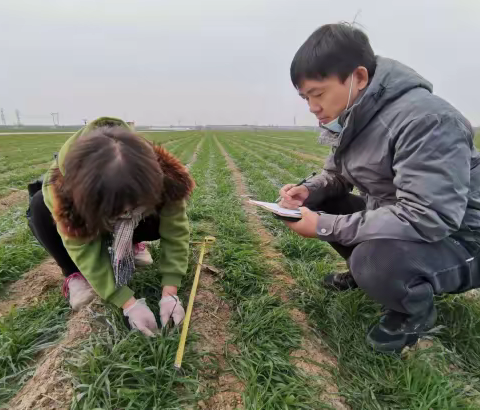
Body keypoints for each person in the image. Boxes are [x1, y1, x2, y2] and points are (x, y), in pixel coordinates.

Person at [279, 23, 480, 353]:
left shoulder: (426, 120)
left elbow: (427, 218)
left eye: (318, 94)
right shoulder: (356, 115)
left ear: (358, 77)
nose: (313, 107)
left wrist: (323, 227)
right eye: (305, 98)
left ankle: (412, 311)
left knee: (374, 259)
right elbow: (337, 175)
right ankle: (369, 279)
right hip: (406, 222)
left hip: (461, 236)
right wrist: (308, 191)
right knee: (328, 203)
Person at [28, 117, 195, 337]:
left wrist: (170, 291)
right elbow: (81, 246)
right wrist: (128, 304)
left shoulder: (164, 176)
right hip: (86, 217)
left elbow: (176, 232)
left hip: (129, 217)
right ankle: (74, 274)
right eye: (117, 212)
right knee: (39, 207)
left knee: (152, 215)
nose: (124, 214)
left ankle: (131, 244)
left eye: (132, 208)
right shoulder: (62, 186)